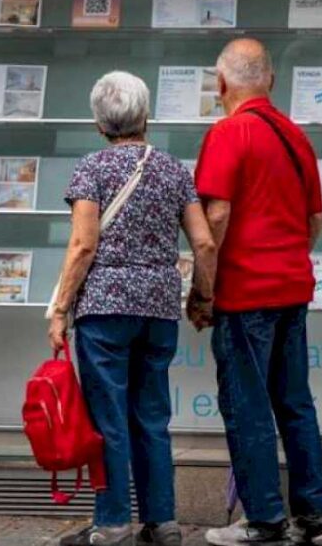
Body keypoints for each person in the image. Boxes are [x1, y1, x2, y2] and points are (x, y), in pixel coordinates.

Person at [49, 70, 218, 546]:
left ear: (99, 124)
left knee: (109, 418)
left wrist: (60, 308)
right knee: (151, 416)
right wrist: (201, 298)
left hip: (103, 309)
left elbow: (83, 245)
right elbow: (204, 243)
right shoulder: (172, 169)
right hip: (159, 308)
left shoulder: (91, 169)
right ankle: (162, 523)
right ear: (145, 116)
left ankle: (112, 524)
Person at [189, 38, 322, 545]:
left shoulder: (228, 132)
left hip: (245, 296)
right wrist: (287, 258)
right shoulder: (296, 135)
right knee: (295, 402)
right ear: (271, 81)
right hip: (292, 290)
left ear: (221, 83)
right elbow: (315, 218)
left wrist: (202, 292)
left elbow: (216, 217)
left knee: (247, 405)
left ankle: (265, 521)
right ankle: (317, 516)